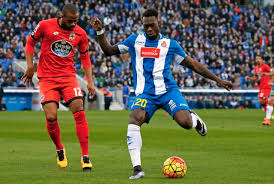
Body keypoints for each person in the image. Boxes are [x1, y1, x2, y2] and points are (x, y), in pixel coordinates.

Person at [91, 8, 233, 179]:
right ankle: (137, 169)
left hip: (168, 92)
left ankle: (194, 118)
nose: (149, 29)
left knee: (186, 123)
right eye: (146, 26)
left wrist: (218, 80)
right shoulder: (134, 41)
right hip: (145, 94)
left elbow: (194, 64)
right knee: (135, 118)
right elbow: (108, 51)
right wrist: (100, 31)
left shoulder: (170, 45)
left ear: (159, 23)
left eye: (152, 25)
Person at [22, 4, 95, 171]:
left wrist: (89, 81)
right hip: (47, 78)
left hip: (68, 77)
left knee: (79, 109)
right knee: (51, 116)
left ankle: (85, 156)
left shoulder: (80, 33)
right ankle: (59, 149)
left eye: (75, 21)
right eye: (70, 21)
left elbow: (85, 59)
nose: (73, 24)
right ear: (61, 16)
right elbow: (29, 43)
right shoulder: (45, 25)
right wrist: (30, 65)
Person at [246, 55, 271, 125]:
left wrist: (266, 75)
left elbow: (272, 73)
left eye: (259, 59)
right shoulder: (256, 68)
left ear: (262, 60)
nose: (257, 60)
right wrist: (250, 78)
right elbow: (256, 77)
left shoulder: (265, 66)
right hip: (261, 86)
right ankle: (269, 112)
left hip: (267, 85)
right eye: (256, 59)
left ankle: (269, 113)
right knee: (261, 102)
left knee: (262, 100)